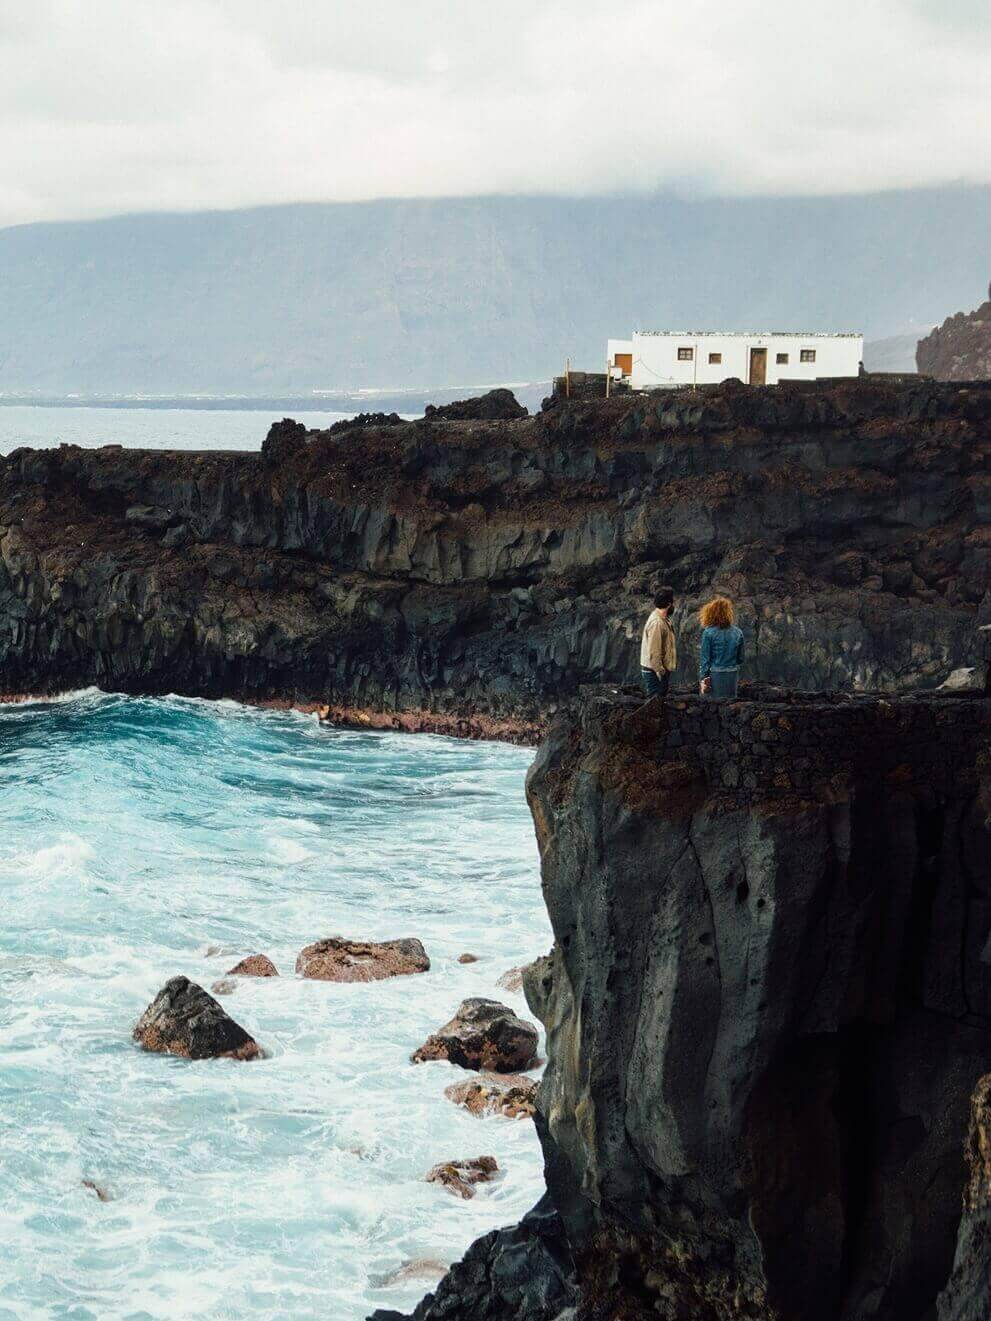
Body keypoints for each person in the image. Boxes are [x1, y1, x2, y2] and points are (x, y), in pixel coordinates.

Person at [699, 596, 744, 698]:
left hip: (715, 675)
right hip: (732, 675)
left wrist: (704, 678)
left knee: (714, 706)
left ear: (711, 613)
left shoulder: (708, 632)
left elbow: (705, 660)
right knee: (730, 707)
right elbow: (741, 658)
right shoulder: (738, 632)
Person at [640, 587, 677, 697]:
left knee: (659, 702)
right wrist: (660, 671)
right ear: (669, 604)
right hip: (654, 672)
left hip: (655, 670)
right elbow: (654, 651)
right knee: (655, 703)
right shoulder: (657, 623)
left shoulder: (662, 619)